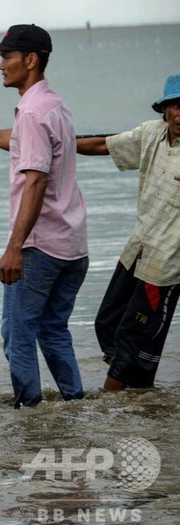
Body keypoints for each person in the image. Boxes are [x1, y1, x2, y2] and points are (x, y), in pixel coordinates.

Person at [0, 24, 89, 408]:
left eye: (7, 56)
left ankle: (28, 412)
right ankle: (75, 403)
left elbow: (35, 182)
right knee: (54, 330)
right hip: (73, 245)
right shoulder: (54, 105)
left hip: (39, 247)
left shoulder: (31, 111)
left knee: (17, 336)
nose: (0, 65)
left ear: (30, 60)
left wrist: (14, 248)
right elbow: (25, 140)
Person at [76, 73, 180, 391]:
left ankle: (112, 400)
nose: (179, 113)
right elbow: (100, 145)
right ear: (164, 110)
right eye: (174, 105)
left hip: (167, 265)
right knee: (107, 322)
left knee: (132, 336)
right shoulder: (152, 134)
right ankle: (139, 392)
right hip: (139, 249)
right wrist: (52, 144)